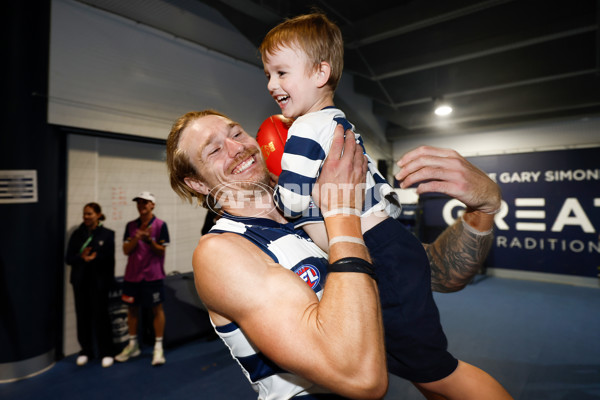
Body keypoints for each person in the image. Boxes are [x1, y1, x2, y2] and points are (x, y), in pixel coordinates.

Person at [166, 110, 511, 399]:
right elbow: (360, 376)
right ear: (197, 183)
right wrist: (342, 211)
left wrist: (483, 207)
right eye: (213, 151)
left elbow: (439, 273)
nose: (236, 148)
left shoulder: (314, 210)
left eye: (236, 133)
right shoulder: (222, 251)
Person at [259, 13, 511, 400]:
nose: (272, 85)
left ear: (320, 72)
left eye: (281, 72)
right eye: (268, 75)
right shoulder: (339, 123)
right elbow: (382, 194)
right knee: (419, 370)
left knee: (439, 372)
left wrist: (275, 194)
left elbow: (291, 200)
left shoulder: (303, 130)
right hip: (389, 243)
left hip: (377, 252)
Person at [115, 192, 170, 366]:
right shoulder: (131, 226)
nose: (142, 205)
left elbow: (161, 250)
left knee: (157, 310)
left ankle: (158, 347)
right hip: (132, 275)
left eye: (145, 203)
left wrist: (149, 241)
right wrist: (137, 238)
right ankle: (133, 345)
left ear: (153, 205)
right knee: (131, 310)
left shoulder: (161, 225)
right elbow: (126, 249)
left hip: (153, 275)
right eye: (139, 203)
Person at [65, 202, 116, 368]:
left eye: (89, 214)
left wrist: (96, 258)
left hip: (99, 283)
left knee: (101, 318)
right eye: (84, 214)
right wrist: (82, 257)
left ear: (99, 215)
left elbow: (110, 261)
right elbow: (68, 259)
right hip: (80, 282)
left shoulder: (107, 234)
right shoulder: (77, 234)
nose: (86, 217)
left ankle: (106, 352)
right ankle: (86, 351)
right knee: (82, 317)